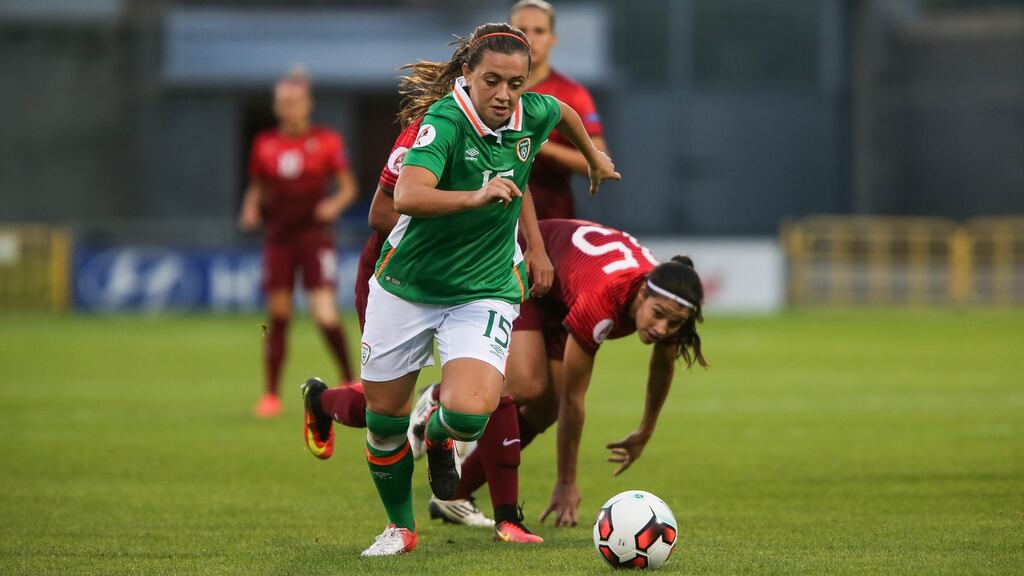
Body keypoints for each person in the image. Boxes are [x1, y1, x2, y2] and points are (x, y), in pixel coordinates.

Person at [302, 23, 619, 557]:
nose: (504, 95)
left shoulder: (529, 110)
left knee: (474, 410)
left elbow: (558, 113)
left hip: (484, 289)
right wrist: (474, 198)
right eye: (492, 80)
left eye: (514, 84)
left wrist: (591, 156)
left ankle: (444, 433)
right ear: (468, 75)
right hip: (408, 286)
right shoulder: (442, 123)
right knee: (383, 422)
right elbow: (403, 196)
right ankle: (399, 530)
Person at [238, 68, 359, 418]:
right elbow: (258, 186)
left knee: (323, 314)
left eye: (295, 102)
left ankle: (350, 378)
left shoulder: (326, 141)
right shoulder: (265, 145)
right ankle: (271, 395)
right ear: (277, 107)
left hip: (314, 237)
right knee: (278, 315)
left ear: (307, 105)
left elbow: (348, 187)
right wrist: (249, 207)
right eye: (284, 103)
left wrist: (333, 204)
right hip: (279, 238)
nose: (289, 108)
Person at [510, 0, 607, 221]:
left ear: (553, 38)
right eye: (522, 30)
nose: (530, 38)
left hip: (551, 224)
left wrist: (538, 144)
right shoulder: (486, 90)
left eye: (539, 31)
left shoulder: (572, 94)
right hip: (492, 228)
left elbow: (597, 160)